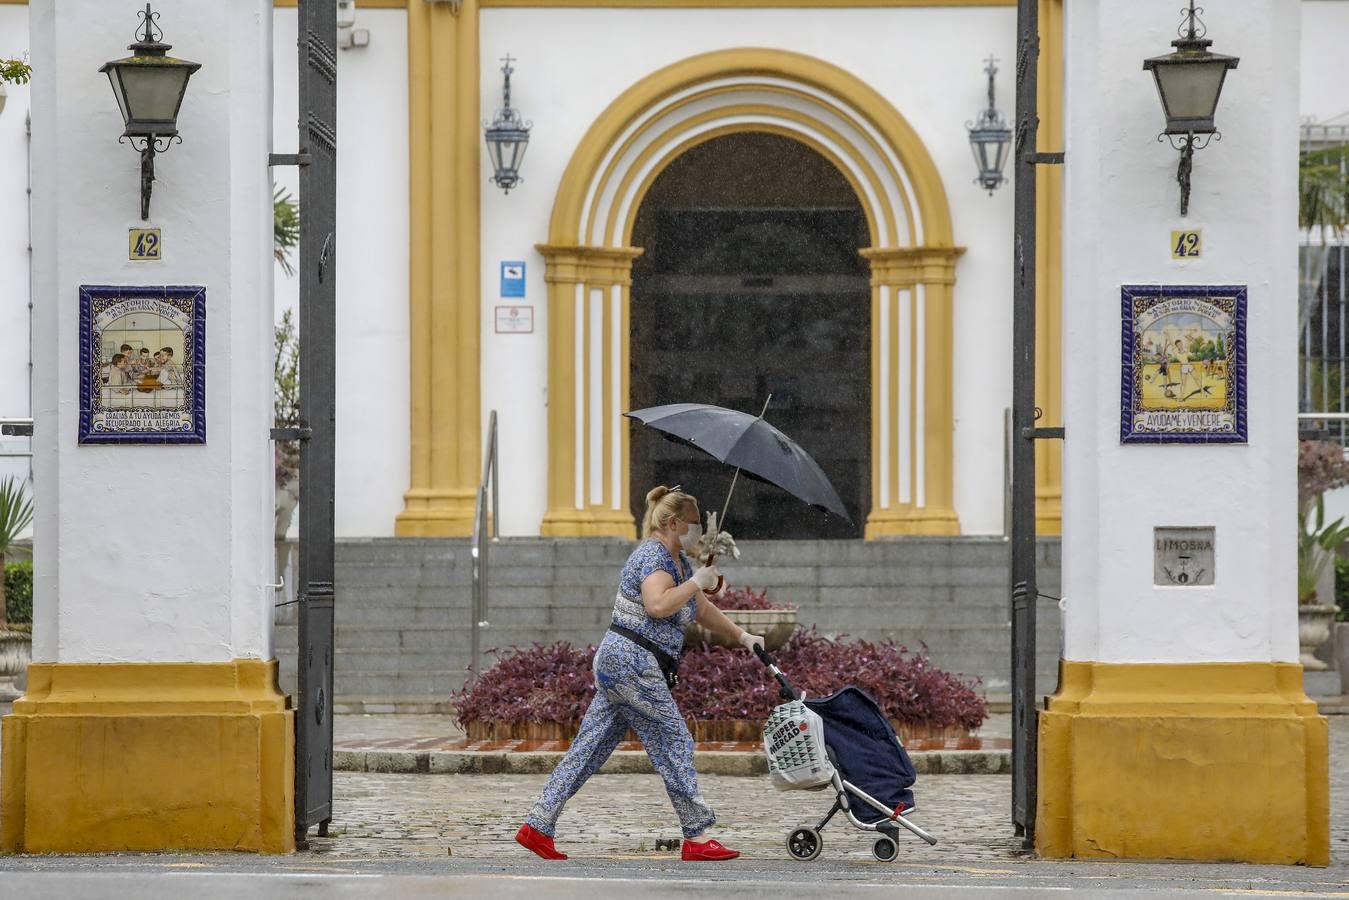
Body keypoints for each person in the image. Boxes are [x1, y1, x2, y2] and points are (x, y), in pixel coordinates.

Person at [516, 485, 764, 863]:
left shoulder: (676, 561)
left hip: (622, 663)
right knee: (676, 740)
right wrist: (696, 582)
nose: (698, 531)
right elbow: (658, 604)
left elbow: (699, 609)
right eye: (693, 524)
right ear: (672, 522)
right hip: (633, 663)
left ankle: (538, 825)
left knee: (591, 747)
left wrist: (742, 636)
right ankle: (697, 837)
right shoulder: (652, 557)